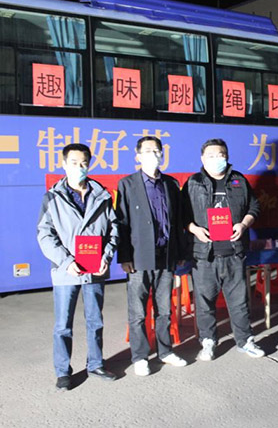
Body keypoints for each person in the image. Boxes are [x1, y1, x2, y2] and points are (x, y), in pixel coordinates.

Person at [37, 143, 119, 391]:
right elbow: (45, 234)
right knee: (63, 325)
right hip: (66, 271)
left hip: (95, 270)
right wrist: (66, 261)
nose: (79, 167)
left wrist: (106, 256)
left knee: (95, 321)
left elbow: (113, 230)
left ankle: (96, 364)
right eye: (74, 163)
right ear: (64, 164)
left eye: (84, 163)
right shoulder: (53, 197)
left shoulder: (102, 195)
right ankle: (63, 371)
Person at [182, 138, 264, 360]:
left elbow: (254, 206)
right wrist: (194, 229)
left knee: (239, 302)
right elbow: (181, 215)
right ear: (202, 159)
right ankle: (208, 342)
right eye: (211, 156)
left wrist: (243, 224)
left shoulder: (238, 180)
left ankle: (245, 341)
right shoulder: (193, 183)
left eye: (221, 155)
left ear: (227, 157)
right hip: (204, 255)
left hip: (234, 253)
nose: (217, 159)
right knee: (204, 303)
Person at [116, 136, 188, 376]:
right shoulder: (127, 184)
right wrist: (124, 256)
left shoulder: (171, 183)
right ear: (137, 156)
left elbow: (178, 220)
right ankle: (140, 356)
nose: (153, 154)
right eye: (147, 151)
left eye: (157, 150)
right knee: (138, 311)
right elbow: (122, 223)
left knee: (164, 309)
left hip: (166, 255)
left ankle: (165, 351)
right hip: (138, 257)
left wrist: (180, 251)